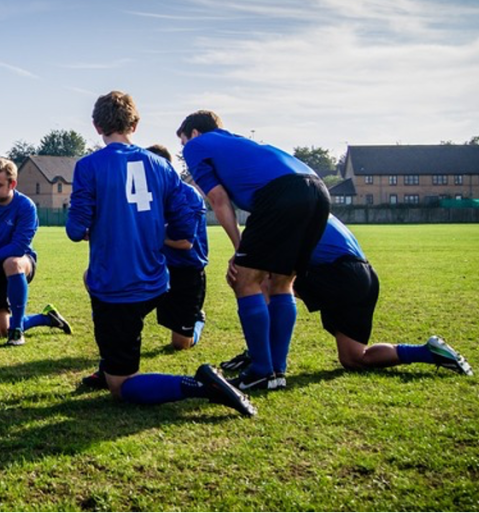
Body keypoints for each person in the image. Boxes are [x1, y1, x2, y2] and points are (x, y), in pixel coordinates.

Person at [67, 92, 255, 418]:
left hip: (117, 287)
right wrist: (162, 234)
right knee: (97, 290)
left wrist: (91, 227)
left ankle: (200, 385)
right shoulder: (161, 166)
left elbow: (74, 228)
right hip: (156, 280)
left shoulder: (88, 166)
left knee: (121, 386)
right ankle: (110, 360)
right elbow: (188, 213)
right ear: (135, 124)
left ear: (97, 126)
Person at [178, 110, 330, 391]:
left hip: (282, 192)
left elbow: (219, 199)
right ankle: (276, 371)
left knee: (244, 279)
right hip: (318, 190)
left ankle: (261, 369)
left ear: (194, 134)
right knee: (282, 282)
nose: (185, 149)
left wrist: (240, 248)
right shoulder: (236, 143)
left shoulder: (198, 145)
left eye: (184, 142)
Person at [220, 215, 473, 376]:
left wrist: (242, 269)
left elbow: (273, 265)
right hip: (364, 277)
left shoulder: (284, 211)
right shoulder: (309, 204)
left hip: (339, 273)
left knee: (263, 282)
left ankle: (260, 358)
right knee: (354, 358)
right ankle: (427, 352)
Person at [0, 157, 71, 346]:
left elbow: (18, 247)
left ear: (12, 184)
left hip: (22, 263)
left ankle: (17, 331)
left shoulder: (26, 206)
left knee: (12, 262)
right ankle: (46, 318)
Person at [147, 145, 208, 351]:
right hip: (158, 267)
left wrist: (150, 234)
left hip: (186, 270)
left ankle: (197, 321)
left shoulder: (187, 195)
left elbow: (184, 243)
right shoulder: (147, 194)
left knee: (180, 345)